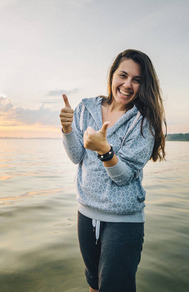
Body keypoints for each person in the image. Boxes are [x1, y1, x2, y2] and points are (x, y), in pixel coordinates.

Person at [60, 49, 166, 292]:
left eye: (137, 80)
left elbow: (124, 177)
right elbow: (76, 156)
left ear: (144, 85)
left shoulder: (143, 120)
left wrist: (105, 151)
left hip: (123, 221)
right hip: (86, 213)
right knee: (94, 285)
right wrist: (67, 129)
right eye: (123, 75)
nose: (128, 84)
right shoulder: (86, 108)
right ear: (112, 75)